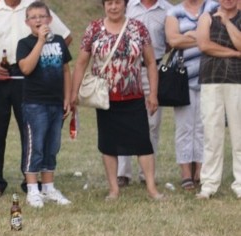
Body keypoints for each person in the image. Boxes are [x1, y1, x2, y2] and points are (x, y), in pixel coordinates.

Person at [0, 0, 70, 199]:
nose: (38, 19)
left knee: (31, 129)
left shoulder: (34, 8)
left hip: (28, 72)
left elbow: (64, 38)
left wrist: (43, 54)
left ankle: (31, 180)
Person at [71, 0, 165, 202]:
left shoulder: (138, 28)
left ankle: (151, 188)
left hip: (133, 95)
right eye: (109, 3)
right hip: (105, 98)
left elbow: (150, 63)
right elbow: (80, 63)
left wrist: (153, 93)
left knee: (143, 144)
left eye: (117, 3)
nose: (113, 7)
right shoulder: (94, 29)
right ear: (104, 5)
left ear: (125, 5)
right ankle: (114, 189)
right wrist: (73, 93)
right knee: (108, 144)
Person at [16, 1, 72, 208]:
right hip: (34, 104)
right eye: (34, 17)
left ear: (49, 19)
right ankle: (32, 189)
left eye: (42, 16)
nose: (38, 20)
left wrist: (67, 97)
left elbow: (66, 70)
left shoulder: (58, 41)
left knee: (52, 146)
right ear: (27, 22)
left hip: (56, 103)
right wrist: (40, 41)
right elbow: (26, 68)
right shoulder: (25, 43)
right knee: (35, 146)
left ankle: (49, 187)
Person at [116, 0, 172, 189]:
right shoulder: (128, 5)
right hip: (127, 68)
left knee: (152, 123)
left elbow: (170, 41)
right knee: (124, 122)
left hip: (153, 68)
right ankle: (123, 173)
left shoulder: (168, 10)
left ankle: (146, 173)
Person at [166, 0, 219, 192]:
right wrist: (203, 38)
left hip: (211, 75)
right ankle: (186, 173)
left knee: (205, 126)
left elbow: (218, 36)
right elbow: (173, 40)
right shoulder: (174, 12)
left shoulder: (214, 7)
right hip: (183, 78)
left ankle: (202, 170)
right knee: (184, 128)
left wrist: (188, 35)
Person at [194, 0, 241, 199]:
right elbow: (204, 45)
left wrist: (228, 24)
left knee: (239, 135)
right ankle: (209, 184)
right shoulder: (206, 18)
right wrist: (234, 53)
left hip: (237, 81)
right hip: (211, 81)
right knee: (212, 133)